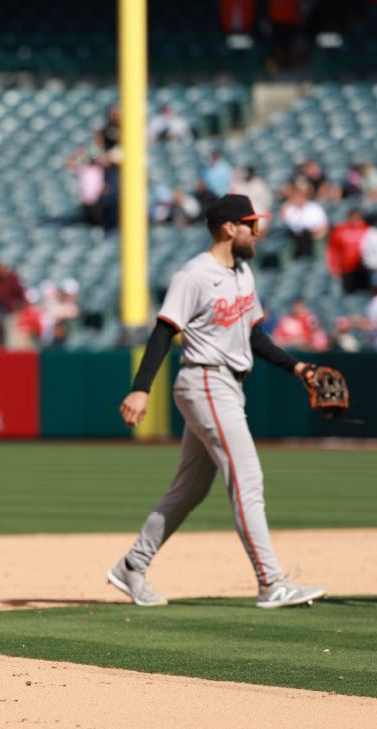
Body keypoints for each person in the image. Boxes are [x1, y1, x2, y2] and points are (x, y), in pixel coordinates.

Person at [114, 194, 327, 610]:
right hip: (205, 381)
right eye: (252, 225)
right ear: (230, 228)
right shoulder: (193, 275)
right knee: (247, 479)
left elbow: (254, 336)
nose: (257, 233)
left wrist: (297, 368)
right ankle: (270, 583)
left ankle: (132, 566)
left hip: (227, 385)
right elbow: (163, 332)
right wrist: (142, 387)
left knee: (190, 489)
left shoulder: (243, 273)